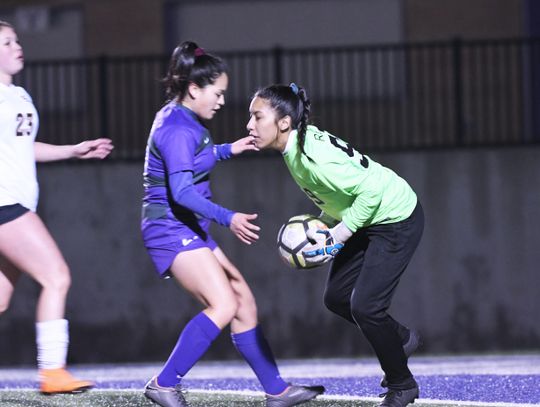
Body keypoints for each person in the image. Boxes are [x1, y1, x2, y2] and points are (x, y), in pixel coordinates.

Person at [140, 42, 324, 407]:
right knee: (223, 304)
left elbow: (191, 162)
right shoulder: (178, 128)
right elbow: (180, 191)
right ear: (194, 89)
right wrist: (229, 217)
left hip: (186, 228)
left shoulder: (182, 119)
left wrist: (226, 150)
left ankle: (277, 391)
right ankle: (164, 383)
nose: (222, 101)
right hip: (171, 229)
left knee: (243, 303)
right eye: (218, 92)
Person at [246, 83, 424, 407]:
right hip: (364, 217)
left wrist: (339, 234)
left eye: (257, 117)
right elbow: (337, 196)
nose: (250, 125)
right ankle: (401, 339)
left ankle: (403, 386)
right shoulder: (297, 149)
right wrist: (325, 225)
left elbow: (372, 190)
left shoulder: (312, 159)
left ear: (283, 122)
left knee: (366, 307)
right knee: (337, 297)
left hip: (395, 217)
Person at [0, 21, 114, 394]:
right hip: (5, 204)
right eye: (6, 42)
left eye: (16, 39)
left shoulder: (18, 96)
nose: (17, 46)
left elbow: (23, 150)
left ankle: (53, 372)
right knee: (56, 275)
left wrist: (72, 150)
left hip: (15, 202)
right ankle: (52, 372)